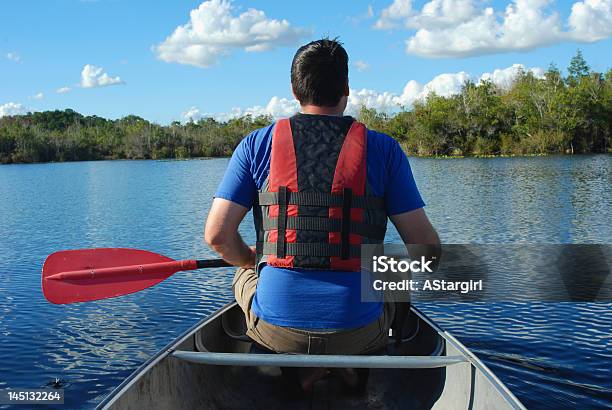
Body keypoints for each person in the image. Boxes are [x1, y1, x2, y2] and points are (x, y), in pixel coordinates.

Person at [205, 37, 439, 390]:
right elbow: (427, 251)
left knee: (242, 273)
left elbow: (217, 237)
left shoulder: (256, 145)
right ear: (346, 88)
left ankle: (298, 369)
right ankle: (358, 359)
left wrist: (253, 261)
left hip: (278, 333)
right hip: (359, 332)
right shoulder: (384, 149)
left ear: (294, 91)